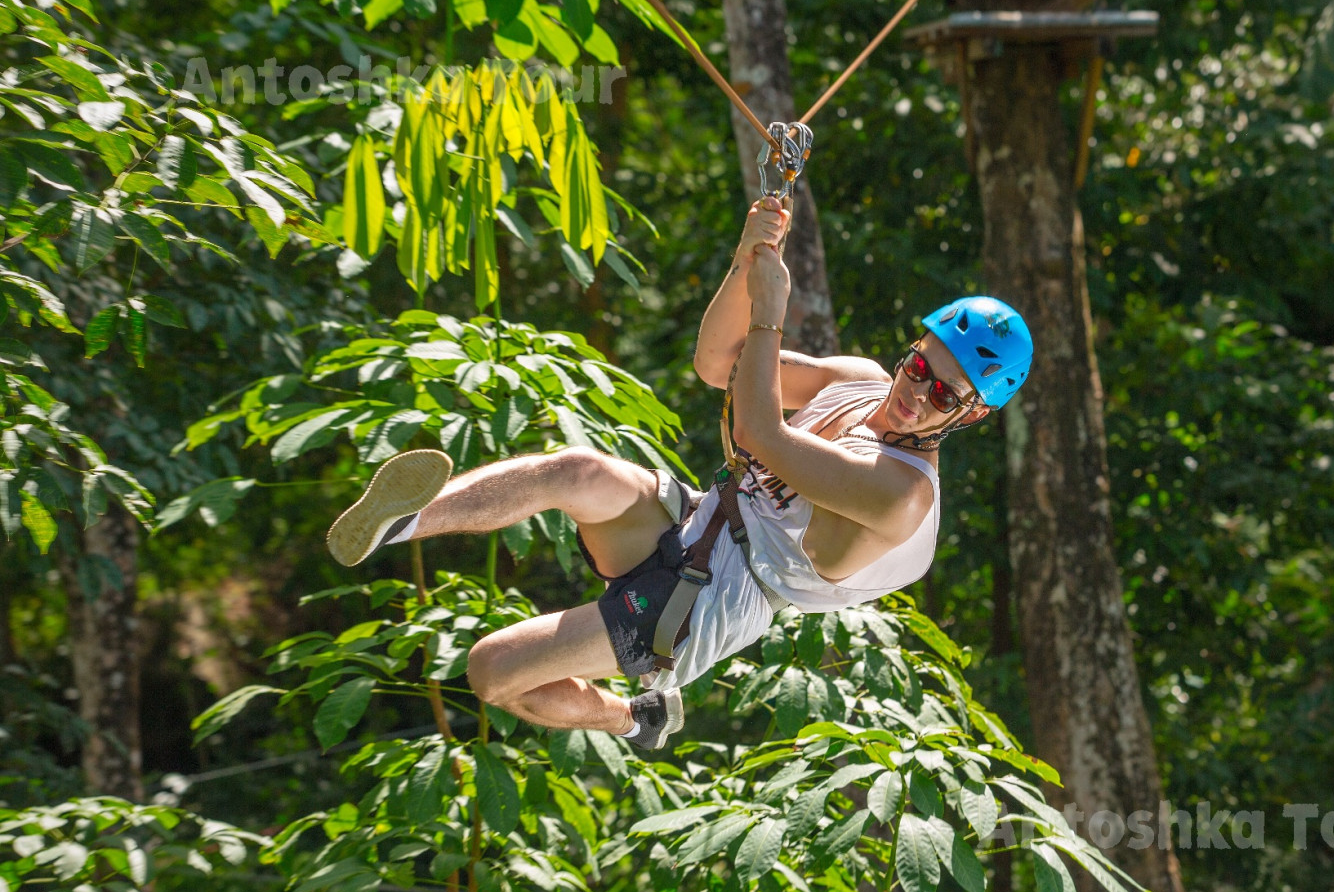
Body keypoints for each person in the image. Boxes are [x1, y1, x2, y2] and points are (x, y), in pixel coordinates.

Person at [324, 197, 1033, 750]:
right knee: (576, 469)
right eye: (920, 365)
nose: (917, 392)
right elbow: (719, 365)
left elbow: (758, 431)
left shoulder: (902, 493)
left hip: (722, 598)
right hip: (703, 515)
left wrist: (772, 314)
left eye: (944, 395)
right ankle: (401, 522)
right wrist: (749, 258)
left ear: (971, 414)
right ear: (912, 349)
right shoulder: (856, 382)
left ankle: (634, 718)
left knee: (490, 670)